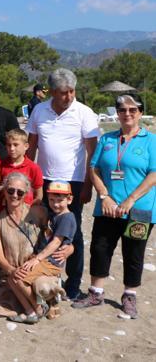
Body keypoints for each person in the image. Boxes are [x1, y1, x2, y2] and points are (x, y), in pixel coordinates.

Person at [73, 94, 156, 319]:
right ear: (117, 113)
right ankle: (96, 293)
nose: (127, 114)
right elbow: (94, 168)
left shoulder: (151, 140)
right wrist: (104, 196)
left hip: (139, 208)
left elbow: (153, 174)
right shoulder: (107, 139)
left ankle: (129, 296)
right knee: (100, 248)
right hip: (107, 206)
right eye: (122, 110)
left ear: (140, 112)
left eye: (132, 109)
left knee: (134, 252)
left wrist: (131, 200)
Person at [26, 68, 99, 299]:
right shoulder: (39, 110)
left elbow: (92, 153)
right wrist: (28, 180)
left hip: (73, 181)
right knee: (41, 229)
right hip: (43, 179)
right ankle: (43, 276)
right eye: (63, 92)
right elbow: (31, 146)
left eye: (71, 91)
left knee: (72, 233)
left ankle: (73, 284)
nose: (68, 96)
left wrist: (88, 186)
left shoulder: (84, 113)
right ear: (52, 92)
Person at [0, 173, 67, 319]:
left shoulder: (38, 212)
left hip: (37, 269)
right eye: (10, 190)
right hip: (14, 273)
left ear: (26, 194)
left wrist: (70, 249)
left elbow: (57, 237)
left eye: (20, 192)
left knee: (42, 287)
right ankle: (37, 308)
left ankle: (40, 305)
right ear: (4, 191)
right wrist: (11, 270)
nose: (14, 195)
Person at [7, 181, 76, 323]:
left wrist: (37, 258)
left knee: (18, 278)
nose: (55, 204)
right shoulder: (55, 215)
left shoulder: (67, 218)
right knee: (12, 278)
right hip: (44, 259)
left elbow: (56, 242)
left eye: (60, 200)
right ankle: (30, 311)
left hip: (50, 261)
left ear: (69, 199)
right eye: (52, 200)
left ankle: (39, 308)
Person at [0, 129, 44, 208]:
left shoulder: (33, 168)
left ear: (26, 146)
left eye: (15, 145)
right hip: (4, 210)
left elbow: (39, 195)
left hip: (25, 211)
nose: (12, 148)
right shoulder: (1, 165)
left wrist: (29, 209)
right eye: (9, 145)